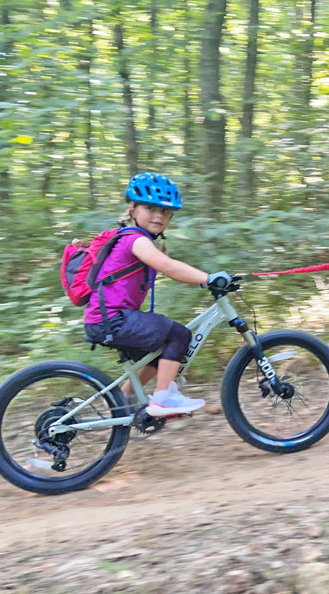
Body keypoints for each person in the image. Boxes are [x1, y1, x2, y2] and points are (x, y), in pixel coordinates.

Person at [83, 172, 229, 416]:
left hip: (110, 318)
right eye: (151, 208)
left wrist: (204, 279)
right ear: (132, 209)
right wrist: (208, 279)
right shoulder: (135, 240)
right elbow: (168, 267)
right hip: (112, 318)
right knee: (179, 336)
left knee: (159, 351)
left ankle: (125, 401)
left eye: (166, 211)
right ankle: (163, 400)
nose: (159, 216)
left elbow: (170, 266)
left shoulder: (136, 239)